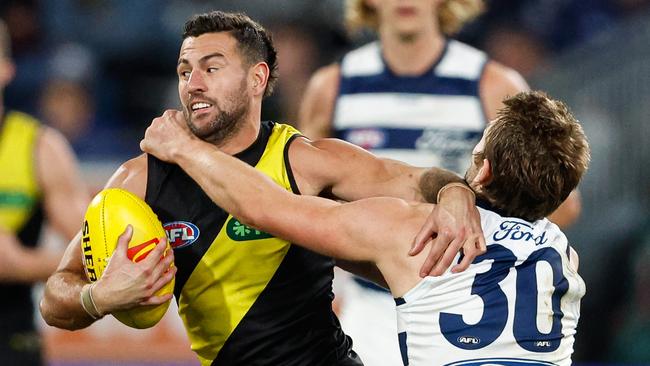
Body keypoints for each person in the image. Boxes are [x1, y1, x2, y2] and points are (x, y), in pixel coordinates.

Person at [39, 11, 486, 366]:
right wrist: (99, 297)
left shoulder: (303, 160)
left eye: (211, 68)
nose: (193, 83)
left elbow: (417, 180)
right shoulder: (143, 178)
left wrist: (455, 194)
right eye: (184, 70)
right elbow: (55, 297)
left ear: (257, 79)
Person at [141, 90, 590, 366]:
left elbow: (265, 207)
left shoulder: (409, 230)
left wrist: (184, 148)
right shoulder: (564, 258)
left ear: (484, 171)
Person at [298, 1, 581, 363]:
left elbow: (563, 204)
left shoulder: (492, 83)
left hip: (465, 304)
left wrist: (489, 251)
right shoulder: (331, 87)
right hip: (365, 307)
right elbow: (302, 183)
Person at [0, 20, 89, 366]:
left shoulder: (39, 147)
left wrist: (20, 264)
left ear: (7, 68)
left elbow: (98, 254)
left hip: (10, 342)